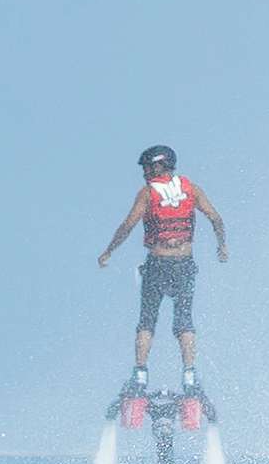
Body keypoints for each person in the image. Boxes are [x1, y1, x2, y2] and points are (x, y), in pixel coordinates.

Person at [97, 143, 227, 384]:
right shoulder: (193, 190)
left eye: (147, 167)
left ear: (159, 166)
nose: (144, 172)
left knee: (147, 320)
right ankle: (189, 373)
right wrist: (222, 246)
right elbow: (216, 218)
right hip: (185, 264)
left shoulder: (147, 193)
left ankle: (140, 373)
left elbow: (128, 225)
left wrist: (108, 251)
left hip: (158, 264)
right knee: (184, 319)